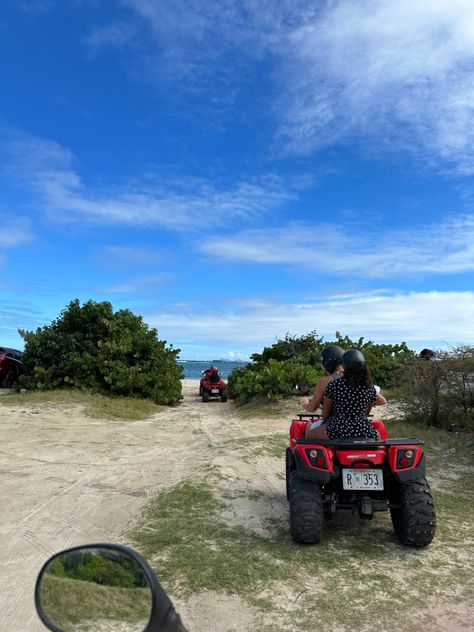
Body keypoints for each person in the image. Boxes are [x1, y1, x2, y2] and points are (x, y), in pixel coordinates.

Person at [305, 349, 381, 440]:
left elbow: (325, 415)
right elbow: (366, 413)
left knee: (308, 432)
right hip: (364, 431)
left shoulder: (334, 385)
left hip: (338, 430)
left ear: (344, 366)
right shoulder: (370, 388)